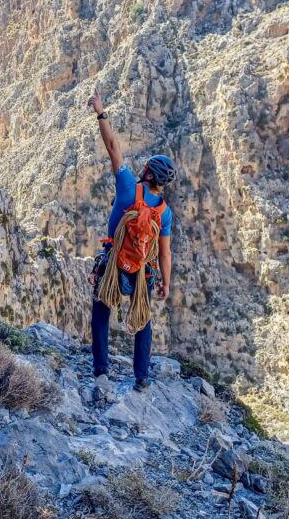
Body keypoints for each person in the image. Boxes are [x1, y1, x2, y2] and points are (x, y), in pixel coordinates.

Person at [86, 87, 176, 391]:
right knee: (143, 318)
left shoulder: (127, 186)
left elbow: (112, 146)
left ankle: (101, 371)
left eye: (147, 167)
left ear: (148, 173)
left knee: (101, 309)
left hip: (114, 263)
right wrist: (166, 281)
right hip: (142, 271)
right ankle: (142, 378)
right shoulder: (164, 213)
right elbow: (164, 253)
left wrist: (101, 111)